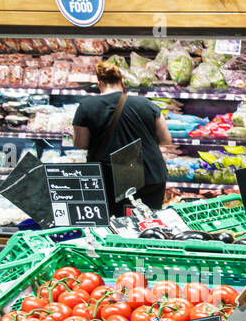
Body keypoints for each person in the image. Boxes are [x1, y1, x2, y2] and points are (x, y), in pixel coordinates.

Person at [72, 61, 174, 215]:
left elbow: (81, 143)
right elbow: (166, 139)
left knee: (116, 223)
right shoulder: (145, 103)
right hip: (149, 174)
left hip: (110, 178)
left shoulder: (87, 106)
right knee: (149, 223)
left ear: (99, 84)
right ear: (122, 83)